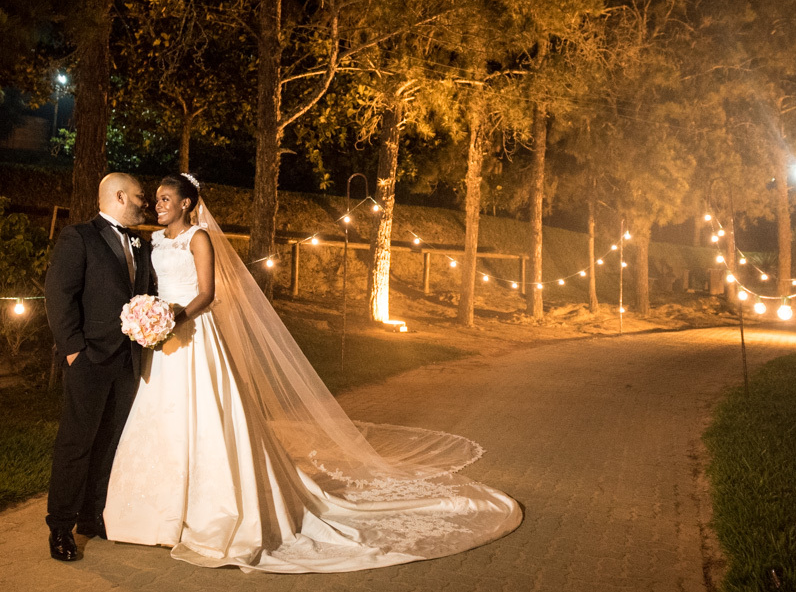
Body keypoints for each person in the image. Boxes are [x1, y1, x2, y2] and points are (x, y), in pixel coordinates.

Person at [103, 174, 521, 573]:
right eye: (155, 199)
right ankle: (158, 515)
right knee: (163, 417)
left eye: (164, 199)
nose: (156, 205)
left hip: (194, 332)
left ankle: (209, 511)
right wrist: (150, 317)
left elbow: (209, 292)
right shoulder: (154, 241)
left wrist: (175, 317)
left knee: (208, 417)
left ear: (186, 204)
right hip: (163, 344)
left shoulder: (200, 238)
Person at [44, 173, 156, 562]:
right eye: (141, 197)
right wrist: (74, 350)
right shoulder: (79, 237)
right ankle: (60, 526)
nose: (146, 204)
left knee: (110, 441)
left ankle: (92, 517)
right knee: (76, 443)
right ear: (120, 196)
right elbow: (59, 294)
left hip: (127, 361)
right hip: (89, 358)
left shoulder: (142, 245)